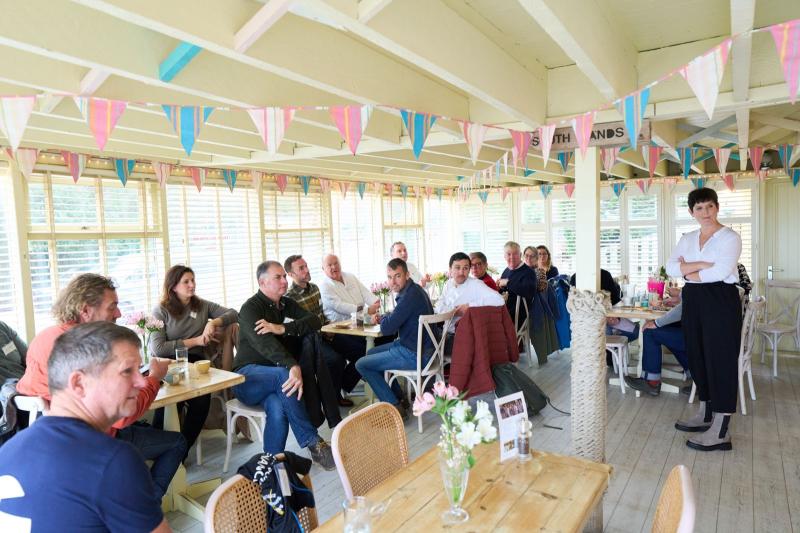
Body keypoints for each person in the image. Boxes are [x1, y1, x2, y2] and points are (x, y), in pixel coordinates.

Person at [16, 273, 185, 499]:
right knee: (176, 441)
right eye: (112, 306)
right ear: (85, 311)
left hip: (47, 441)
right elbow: (122, 418)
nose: (119, 313)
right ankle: (145, 507)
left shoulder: (45, 336)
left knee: (149, 427)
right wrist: (153, 379)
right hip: (90, 444)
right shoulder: (88, 348)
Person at [0, 322, 170, 532]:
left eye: (139, 370)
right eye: (127, 371)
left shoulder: (8, 451)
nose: (142, 382)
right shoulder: (112, 461)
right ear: (78, 383)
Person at [233, 261, 335, 469]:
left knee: (278, 407)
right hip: (247, 378)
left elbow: (314, 321)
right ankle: (313, 442)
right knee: (283, 374)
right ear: (262, 282)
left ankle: (271, 464)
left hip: (275, 382)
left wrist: (282, 328)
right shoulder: (250, 309)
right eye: (278, 277)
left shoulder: (286, 304)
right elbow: (265, 344)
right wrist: (292, 365)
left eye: (284, 276)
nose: (284, 280)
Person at [667, 187, 742, 452]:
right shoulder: (687, 238)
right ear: (691, 212)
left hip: (720, 300)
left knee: (720, 360)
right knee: (697, 356)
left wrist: (689, 271)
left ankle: (721, 431)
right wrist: (700, 267)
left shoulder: (730, 237)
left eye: (709, 206)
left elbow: (721, 272)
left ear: (717, 207)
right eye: (699, 208)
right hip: (694, 300)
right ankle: (706, 413)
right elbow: (671, 267)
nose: (705, 212)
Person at [150, 265, 238, 457]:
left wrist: (213, 322)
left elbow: (233, 312)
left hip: (194, 361)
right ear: (173, 286)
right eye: (186, 282)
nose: (192, 285)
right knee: (171, 405)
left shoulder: (202, 305)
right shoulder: (160, 311)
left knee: (201, 402)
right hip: (169, 364)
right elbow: (158, 348)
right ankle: (158, 454)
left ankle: (180, 452)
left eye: (193, 280)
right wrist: (197, 340)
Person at [355, 258, 434, 418]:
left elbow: (387, 329)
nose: (393, 281)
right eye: (390, 277)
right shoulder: (415, 290)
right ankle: (399, 399)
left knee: (361, 364)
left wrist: (383, 319)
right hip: (420, 348)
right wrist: (387, 317)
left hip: (416, 354)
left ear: (407, 274)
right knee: (371, 353)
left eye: (397, 276)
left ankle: (395, 408)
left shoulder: (408, 297)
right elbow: (397, 317)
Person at [285, 254, 355, 407]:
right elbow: (297, 330)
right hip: (310, 340)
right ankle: (333, 398)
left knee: (361, 350)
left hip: (326, 333)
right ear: (290, 275)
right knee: (336, 360)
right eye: (301, 268)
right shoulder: (289, 298)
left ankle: (342, 385)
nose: (306, 270)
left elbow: (321, 316)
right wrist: (322, 332)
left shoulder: (315, 289)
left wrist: (329, 327)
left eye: (306, 266)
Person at [503, 242, 558, 365]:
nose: (512, 257)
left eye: (515, 254)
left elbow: (530, 291)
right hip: (507, 310)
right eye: (508, 254)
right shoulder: (507, 270)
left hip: (531, 310)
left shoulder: (532, 272)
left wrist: (507, 283)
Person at [624, 299, 689, 396]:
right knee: (664, 330)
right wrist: (678, 301)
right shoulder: (710, 286)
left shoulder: (700, 285)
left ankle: (651, 382)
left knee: (650, 332)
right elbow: (688, 305)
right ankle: (696, 375)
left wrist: (656, 323)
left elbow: (682, 309)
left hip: (698, 337)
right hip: (705, 336)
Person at [435, 252, 504, 333]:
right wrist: (454, 311)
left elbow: (499, 300)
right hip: (445, 332)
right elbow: (439, 305)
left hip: (463, 336)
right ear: (450, 269)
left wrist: (470, 306)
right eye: (457, 268)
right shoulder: (448, 283)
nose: (461, 272)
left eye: (465, 268)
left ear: (469, 270)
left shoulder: (476, 284)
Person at [318, 254, 380, 323]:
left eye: (336, 263)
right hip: (341, 326)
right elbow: (340, 307)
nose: (334, 266)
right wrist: (367, 310)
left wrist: (377, 303)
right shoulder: (324, 286)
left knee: (384, 325)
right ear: (323, 268)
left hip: (361, 319)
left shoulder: (350, 276)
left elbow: (365, 293)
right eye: (329, 265)